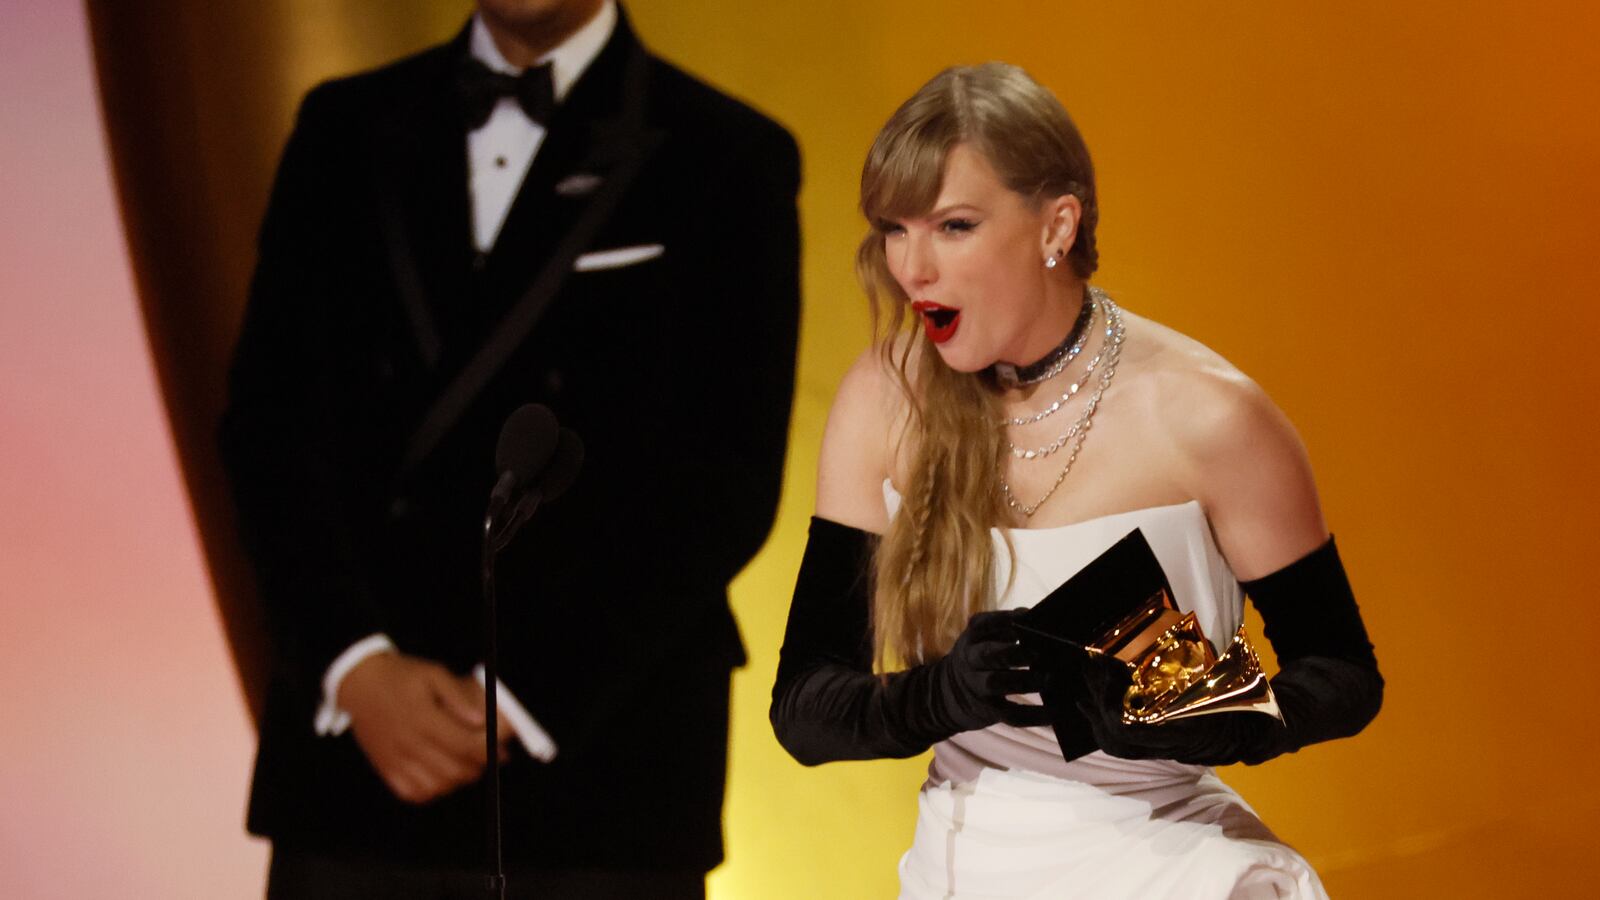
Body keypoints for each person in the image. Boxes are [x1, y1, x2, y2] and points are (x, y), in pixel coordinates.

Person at [219, 1, 800, 896]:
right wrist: (352, 664)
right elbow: (268, 426)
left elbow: (722, 479)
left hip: (602, 774)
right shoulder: (341, 126)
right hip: (357, 766)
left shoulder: (728, 154)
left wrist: (518, 693)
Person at [770, 62, 1381, 899]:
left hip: (1170, 860)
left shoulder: (1211, 417)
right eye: (893, 228)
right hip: (963, 865)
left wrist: (1221, 720)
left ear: (1058, 225)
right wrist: (936, 698)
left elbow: (1343, 675)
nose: (911, 269)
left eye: (953, 226)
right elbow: (804, 710)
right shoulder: (884, 401)